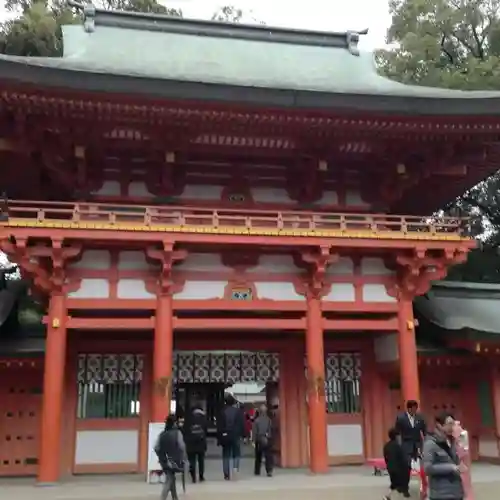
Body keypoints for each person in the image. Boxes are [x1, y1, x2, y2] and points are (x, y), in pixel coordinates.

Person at [422, 412, 465, 500]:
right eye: (449, 424)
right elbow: (427, 468)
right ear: (439, 425)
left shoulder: (452, 441)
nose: (452, 427)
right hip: (441, 493)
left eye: (453, 423)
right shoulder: (430, 444)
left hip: (456, 491)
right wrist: (451, 467)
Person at [394, 400, 427, 497]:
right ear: (408, 408)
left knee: (423, 467)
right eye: (413, 408)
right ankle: (405, 488)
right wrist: (398, 446)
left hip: (417, 445)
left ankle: (424, 488)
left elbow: (424, 431)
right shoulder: (401, 418)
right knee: (406, 468)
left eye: (416, 408)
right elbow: (397, 433)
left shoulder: (420, 418)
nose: (415, 410)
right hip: (406, 445)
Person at [155, 414, 187, 500]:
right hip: (175, 460)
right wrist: (184, 458)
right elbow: (182, 447)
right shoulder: (177, 433)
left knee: (171, 477)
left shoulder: (162, 434)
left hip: (164, 461)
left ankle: (175, 497)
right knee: (169, 479)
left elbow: (156, 447)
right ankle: (163, 498)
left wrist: (161, 456)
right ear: (174, 423)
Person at [217, 392, 245, 480]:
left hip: (225, 435)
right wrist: (243, 435)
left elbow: (219, 426)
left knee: (226, 454)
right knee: (236, 453)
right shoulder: (238, 412)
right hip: (235, 435)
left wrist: (219, 438)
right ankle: (235, 469)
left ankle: (226, 474)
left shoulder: (222, 412)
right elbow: (241, 424)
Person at [184, 399, 208, 483]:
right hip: (201, 441)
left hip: (191, 442)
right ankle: (201, 476)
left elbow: (185, 430)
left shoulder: (188, 418)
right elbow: (206, 430)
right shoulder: (203, 418)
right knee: (201, 460)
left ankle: (193, 476)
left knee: (192, 460)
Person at [383, 428, 410, 500]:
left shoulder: (386, 446)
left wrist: (388, 465)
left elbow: (386, 458)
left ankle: (387, 496)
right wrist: (407, 467)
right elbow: (402, 459)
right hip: (398, 469)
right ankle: (386, 496)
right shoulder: (398, 446)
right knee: (401, 485)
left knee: (394, 484)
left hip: (390, 468)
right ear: (396, 436)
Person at [252, 404, 273, 477]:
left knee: (258, 456)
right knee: (268, 456)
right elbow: (270, 430)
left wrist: (253, 441)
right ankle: (269, 470)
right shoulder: (268, 420)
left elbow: (254, 431)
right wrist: (269, 437)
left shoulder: (256, 420)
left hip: (259, 439)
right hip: (266, 439)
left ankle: (257, 471)